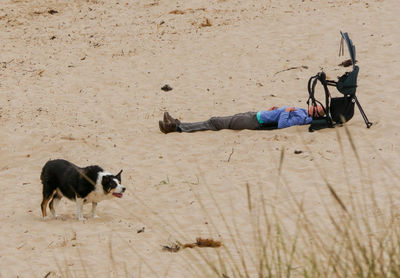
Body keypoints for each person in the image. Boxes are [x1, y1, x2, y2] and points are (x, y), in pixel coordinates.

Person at [159, 105, 325, 134]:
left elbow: (282, 125)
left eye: (317, 109)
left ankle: (176, 128)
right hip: (256, 115)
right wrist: (273, 111)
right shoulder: (303, 111)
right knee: (214, 120)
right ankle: (178, 124)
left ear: (315, 115)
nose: (314, 106)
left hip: (254, 123)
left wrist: (285, 112)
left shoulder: (302, 119)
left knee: (215, 122)